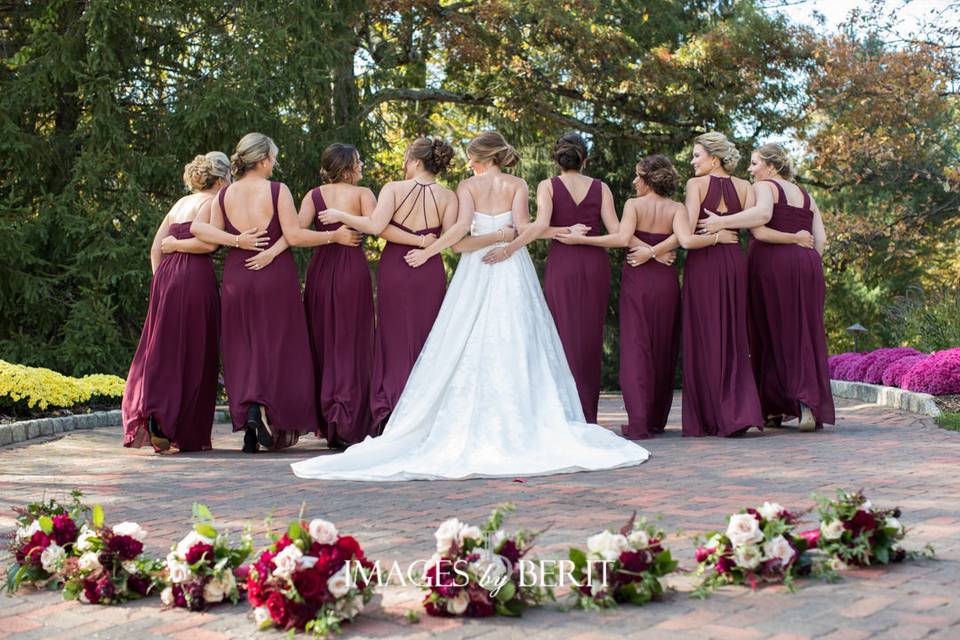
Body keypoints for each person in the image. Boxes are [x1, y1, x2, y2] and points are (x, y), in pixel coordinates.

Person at [290, 131, 649, 481]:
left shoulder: (465, 187)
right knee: (517, 340)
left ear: (478, 159)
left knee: (464, 338)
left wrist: (437, 248)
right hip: (512, 268)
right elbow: (527, 228)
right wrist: (510, 244)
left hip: (477, 267)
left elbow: (459, 241)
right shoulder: (517, 184)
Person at [316, 137, 457, 431]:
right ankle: (423, 412)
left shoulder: (393, 189)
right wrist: (427, 246)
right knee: (427, 335)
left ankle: (389, 410)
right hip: (429, 268)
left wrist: (341, 215)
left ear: (417, 161)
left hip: (395, 266)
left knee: (391, 336)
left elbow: (376, 228)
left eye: (407, 159)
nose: (404, 164)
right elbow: (452, 238)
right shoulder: (448, 197)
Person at [191, 132, 319, 452]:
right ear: (262, 160)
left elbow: (199, 229)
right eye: (273, 158)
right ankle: (271, 411)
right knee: (277, 346)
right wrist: (330, 238)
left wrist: (236, 242)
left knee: (243, 347)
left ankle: (250, 410)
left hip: (238, 276)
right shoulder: (277, 190)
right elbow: (294, 234)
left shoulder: (225, 194)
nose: (275, 164)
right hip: (274, 276)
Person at [698, 142, 834, 431]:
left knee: (770, 332)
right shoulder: (807, 196)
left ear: (771, 166)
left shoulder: (765, 187)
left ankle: (778, 406)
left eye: (754, 163)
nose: (750, 169)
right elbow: (820, 240)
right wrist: (805, 260)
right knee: (805, 332)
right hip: (808, 265)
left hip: (771, 265)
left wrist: (721, 221)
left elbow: (759, 222)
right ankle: (797, 405)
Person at [558, 154, 683, 438]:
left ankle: (639, 422)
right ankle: (655, 419)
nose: (634, 181)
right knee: (662, 345)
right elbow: (682, 237)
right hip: (665, 281)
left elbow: (621, 239)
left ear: (650, 179)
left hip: (638, 277)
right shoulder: (676, 208)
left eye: (639, 176)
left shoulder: (634, 205)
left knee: (636, 347)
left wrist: (582, 240)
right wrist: (660, 250)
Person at [122, 152, 231, 453]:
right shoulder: (212, 202)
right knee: (195, 349)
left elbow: (156, 247)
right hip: (195, 278)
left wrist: (161, 280)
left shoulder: (180, 204)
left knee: (165, 348)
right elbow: (209, 243)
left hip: (167, 278)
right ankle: (183, 427)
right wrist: (182, 248)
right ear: (221, 179)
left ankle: (158, 411)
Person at [679, 132, 764, 437]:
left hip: (704, 263)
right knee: (732, 336)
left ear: (714, 158)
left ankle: (709, 417)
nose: (692, 161)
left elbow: (687, 234)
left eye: (696, 155)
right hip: (732, 261)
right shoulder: (745, 187)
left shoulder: (695, 186)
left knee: (705, 334)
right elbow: (757, 229)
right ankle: (737, 412)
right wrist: (726, 230)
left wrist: (715, 230)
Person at [538, 133, 616, 423]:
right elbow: (618, 235)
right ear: (585, 158)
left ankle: (562, 415)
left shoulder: (547, 186)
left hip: (563, 263)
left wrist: (564, 233)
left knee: (559, 333)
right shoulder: (601, 187)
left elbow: (540, 227)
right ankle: (586, 415)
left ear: (557, 157)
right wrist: (585, 238)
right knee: (589, 337)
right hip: (594, 263)